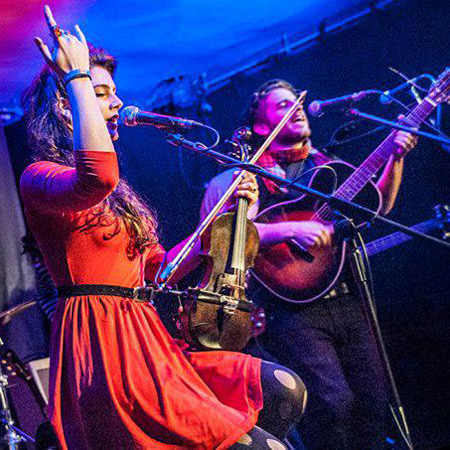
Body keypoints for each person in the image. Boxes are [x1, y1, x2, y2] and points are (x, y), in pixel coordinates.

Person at [20, 8, 307, 449]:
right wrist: (77, 75)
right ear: (66, 103)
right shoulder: (40, 176)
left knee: (284, 387)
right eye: (101, 93)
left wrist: (221, 220)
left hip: (149, 339)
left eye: (113, 92)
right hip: (105, 351)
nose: (117, 103)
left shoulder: (118, 196)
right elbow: (96, 176)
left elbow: (161, 270)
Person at [200, 79, 418, 449]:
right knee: (332, 404)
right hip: (293, 312)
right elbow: (230, 237)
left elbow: (374, 208)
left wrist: (395, 158)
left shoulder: (328, 168)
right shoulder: (243, 176)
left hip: (349, 298)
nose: (297, 108)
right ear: (261, 127)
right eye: (283, 106)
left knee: (374, 402)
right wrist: (292, 230)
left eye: (298, 102)